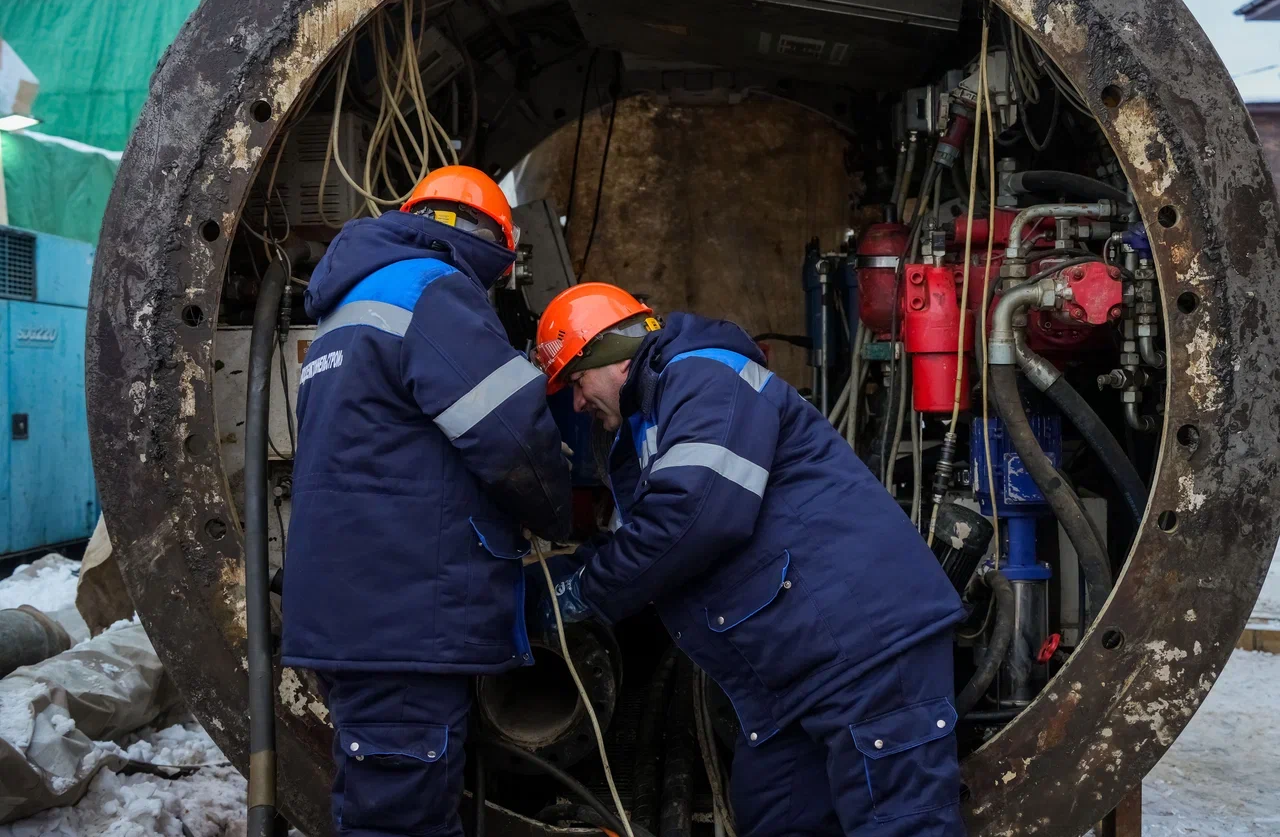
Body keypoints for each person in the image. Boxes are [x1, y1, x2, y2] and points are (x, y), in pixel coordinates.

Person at [531, 282, 968, 837]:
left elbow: (696, 515)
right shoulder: (654, 419)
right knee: (775, 813)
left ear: (613, 359)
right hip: (788, 676)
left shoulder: (702, 375)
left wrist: (586, 591)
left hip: (862, 651)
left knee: (900, 825)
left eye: (576, 380)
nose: (575, 402)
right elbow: (650, 530)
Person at [281, 166, 572, 837]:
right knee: (400, 824)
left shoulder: (345, 302)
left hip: (361, 619)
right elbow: (513, 435)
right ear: (495, 250)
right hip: (403, 623)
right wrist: (558, 513)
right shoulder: (434, 289)